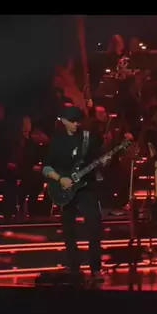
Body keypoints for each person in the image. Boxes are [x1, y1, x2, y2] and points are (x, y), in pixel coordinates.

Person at [41, 106, 110, 284]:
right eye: (72, 121)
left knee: (94, 226)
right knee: (69, 229)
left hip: (87, 186)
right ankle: (74, 268)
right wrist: (60, 179)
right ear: (63, 121)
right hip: (64, 187)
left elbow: (98, 159)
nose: (76, 124)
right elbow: (46, 167)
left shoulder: (88, 138)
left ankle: (95, 268)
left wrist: (104, 161)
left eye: (78, 121)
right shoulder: (56, 141)